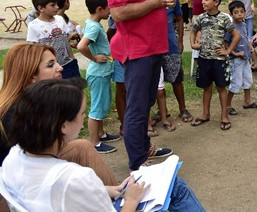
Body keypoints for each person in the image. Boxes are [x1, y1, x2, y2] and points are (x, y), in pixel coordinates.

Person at [2, 78, 206, 212]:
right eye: (82, 113)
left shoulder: (15, 156)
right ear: (64, 125)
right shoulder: (74, 177)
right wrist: (132, 200)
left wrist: (111, 190)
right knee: (176, 187)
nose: (83, 119)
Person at [106, 0, 176, 171]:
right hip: (136, 50)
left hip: (153, 47)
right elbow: (119, 12)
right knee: (137, 107)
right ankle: (138, 163)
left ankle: (143, 147)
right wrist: (155, 4)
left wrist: (165, 0)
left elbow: (152, 0)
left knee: (146, 102)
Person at [0, 43, 117, 185]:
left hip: (32, 167)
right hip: (22, 179)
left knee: (83, 146)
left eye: (56, 61)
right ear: (32, 76)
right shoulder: (20, 111)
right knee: (83, 149)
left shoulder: (30, 100)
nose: (60, 67)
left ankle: (115, 196)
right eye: (50, 65)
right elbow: (40, 161)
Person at [190, 0, 241, 131]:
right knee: (206, 87)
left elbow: (236, 36)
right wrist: (194, 44)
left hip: (219, 60)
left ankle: (224, 116)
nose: (203, 2)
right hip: (204, 59)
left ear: (216, 2)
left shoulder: (224, 18)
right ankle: (205, 114)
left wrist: (228, 51)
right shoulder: (201, 17)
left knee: (221, 88)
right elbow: (193, 30)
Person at [76, 0, 119, 154]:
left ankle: (100, 134)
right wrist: (94, 58)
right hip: (98, 72)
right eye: (109, 7)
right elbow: (81, 46)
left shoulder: (91, 23)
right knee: (97, 107)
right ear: (100, 8)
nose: (111, 10)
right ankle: (94, 142)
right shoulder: (94, 26)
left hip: (102, 72)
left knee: (102, 104)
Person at [150, 0, 192, 130]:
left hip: (170, 46)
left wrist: (180, 41)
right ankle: (163, 111)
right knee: (156, 82)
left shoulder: (172, 0)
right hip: (153, 49)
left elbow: (180, 20)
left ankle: (183, 108)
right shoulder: (149, 2)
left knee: (176, 79)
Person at [26, 0, 80, 79]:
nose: (57, 7)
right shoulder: (33, 25)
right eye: (52, 5)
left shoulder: (60, 19)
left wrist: (73, 59)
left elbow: (66, 42)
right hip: (51, 69)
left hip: (68, 64)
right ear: (41, 8)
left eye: (57, 4)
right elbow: (35, 50)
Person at [225, 0, 257, 114]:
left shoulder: (244, 25)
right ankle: (227, 105)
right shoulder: (230, 28)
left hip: (246, 58)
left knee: (248, 80)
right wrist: (235, 53)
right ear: (231, 14)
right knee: (236, 82)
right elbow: (226, 44)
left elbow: (245, 38)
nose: (239, 14)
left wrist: (250, 48)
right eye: (236, 12)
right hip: (236, 60)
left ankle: (247, 102)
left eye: (242, 12)